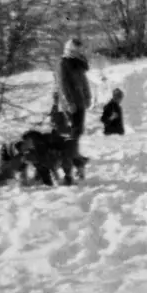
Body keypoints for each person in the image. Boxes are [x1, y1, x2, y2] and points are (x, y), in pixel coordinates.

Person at [55, 38, 93, 185]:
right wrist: (69, 102)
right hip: (71, 104)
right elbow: (62, 85)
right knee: (73, 133)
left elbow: (84, 82)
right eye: (77, 49)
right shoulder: (63, 63)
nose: (80, 51)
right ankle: (72, 159)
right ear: (71, 49)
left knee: (77, 131)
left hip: (80, 102)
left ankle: (75, 157)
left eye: (80, 49)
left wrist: (88, 96)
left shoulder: (78, 64)